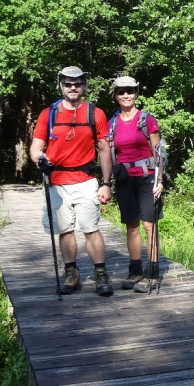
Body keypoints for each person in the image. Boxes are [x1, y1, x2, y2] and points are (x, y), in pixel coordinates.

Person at [30, 66, 115, 296]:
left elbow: (104, 150)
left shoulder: (95, 113)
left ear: (84, 86)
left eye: (77, 83)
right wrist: (40, 161)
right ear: (61, 86)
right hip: (57, 181)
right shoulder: (48, 114)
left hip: (86, 179)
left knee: (91, 228)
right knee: (65, 229)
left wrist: (106, 183)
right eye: (68, 84)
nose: (73, 87)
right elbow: (36, 147)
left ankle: (100, 274)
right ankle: (71, 273)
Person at [108, 76, 165, 293]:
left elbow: (159, 151)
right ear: (115, 95)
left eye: (130, 91)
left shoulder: (146, 119)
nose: (126, 95)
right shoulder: (111, 123)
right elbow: (107, 152)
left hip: (147, 176)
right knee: (131, 225)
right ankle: (135, 269)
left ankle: (153, 272)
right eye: (122, 92)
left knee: (149, 224)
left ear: (136, 94)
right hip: (125, 178)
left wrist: (159, 180)